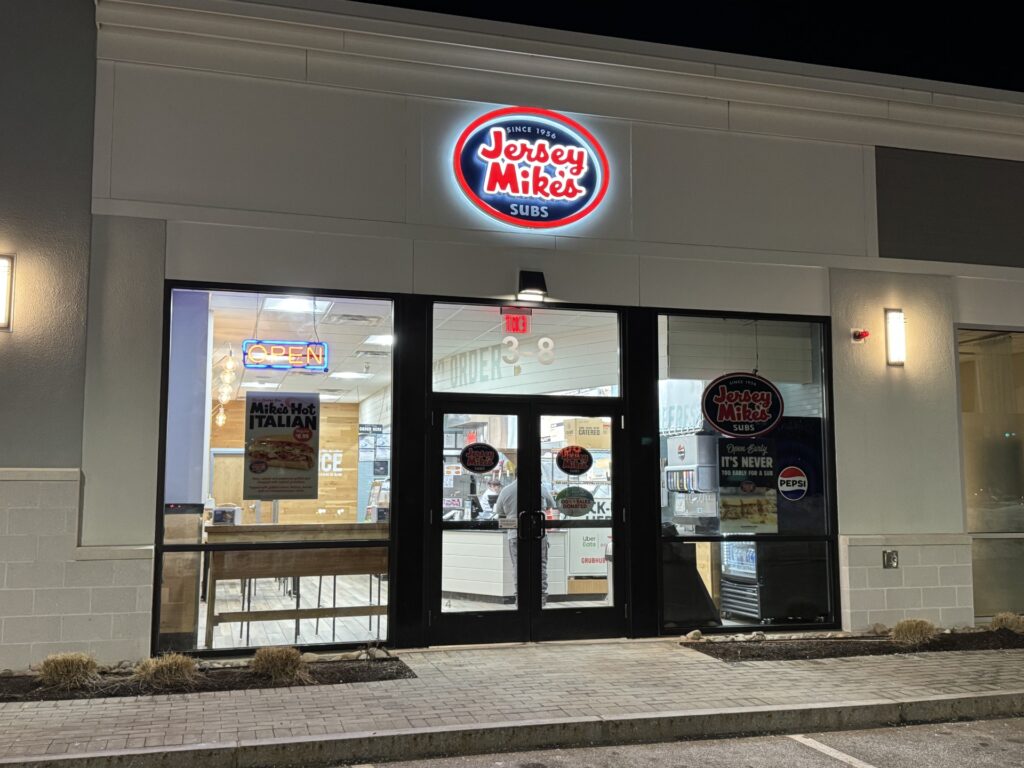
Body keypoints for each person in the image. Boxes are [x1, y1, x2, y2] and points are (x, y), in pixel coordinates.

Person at [493, 475, 557, 606]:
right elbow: (552, 505)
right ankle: (540, 599)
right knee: (540, 566)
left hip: (515, 534)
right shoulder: (541, 489)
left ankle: (520, 599)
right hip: (538, 534)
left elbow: (499, 511)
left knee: (518, 567)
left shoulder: (506, 490)